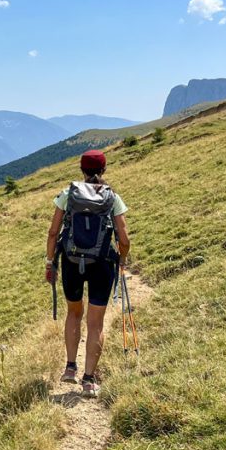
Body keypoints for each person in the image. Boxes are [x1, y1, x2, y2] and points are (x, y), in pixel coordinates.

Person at [45, 150, 130, 397]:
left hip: (72, 261)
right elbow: (123, 238)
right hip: (102, 264)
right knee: (96, 322)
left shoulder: (67, 194)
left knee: (73, 313)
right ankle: (89, 380)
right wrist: (122, 261)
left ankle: (70, 367)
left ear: (81, 169)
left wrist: (50, 262)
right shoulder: (113, 198)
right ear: (103, 170)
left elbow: (53, 232)